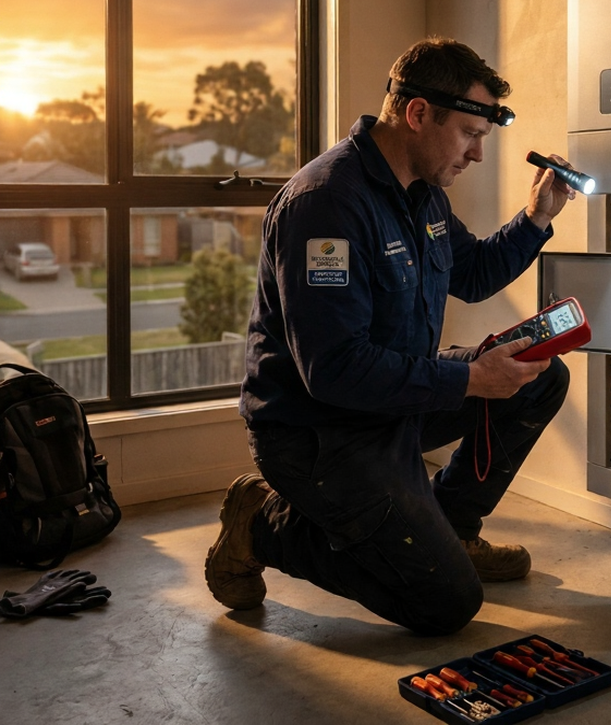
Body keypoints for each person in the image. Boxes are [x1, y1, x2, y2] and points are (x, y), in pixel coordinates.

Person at [205, 37, 578, 636]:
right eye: (470, 134)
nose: (478, 154)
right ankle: (261, 523)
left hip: (389, 408)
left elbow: (474, 274)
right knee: (445, 604)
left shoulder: (421, 194)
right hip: (319, 434)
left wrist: (538, 216)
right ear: (418, 114)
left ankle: (451, 527)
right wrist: (469, 379)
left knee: (539, 376)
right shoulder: (327, 205)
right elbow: (334, 370)